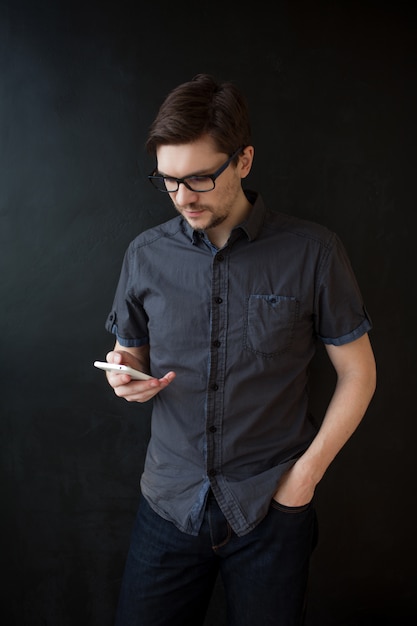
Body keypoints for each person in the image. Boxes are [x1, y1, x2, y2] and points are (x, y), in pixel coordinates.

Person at [103, 73, 377, 626]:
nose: (182, 197)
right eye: (168, 181)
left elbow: (359, 373)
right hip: (168, 504)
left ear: (244, 161)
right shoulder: (145, 255)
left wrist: (304, 479)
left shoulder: (314, 252)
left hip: (271, 509)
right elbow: (126, 353)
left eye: (200, 178)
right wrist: (124, 376)